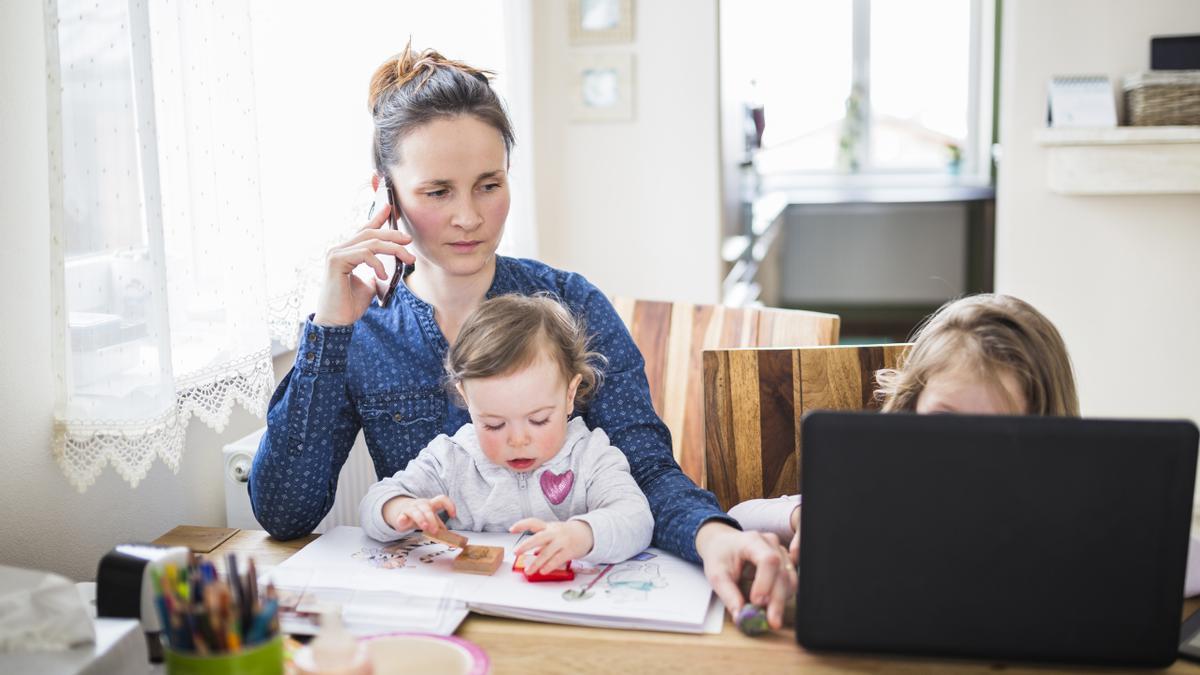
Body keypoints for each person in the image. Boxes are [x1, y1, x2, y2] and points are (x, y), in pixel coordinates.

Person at [248, 43, 794, 627]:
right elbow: (285, 512)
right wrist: (329, 333)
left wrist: (714, 537)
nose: (469, 216)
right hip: (432, 614)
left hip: (568, 604)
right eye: (437, 192)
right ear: (386, 195)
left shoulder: (569, 304)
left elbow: (644, 468)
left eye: (489, 184)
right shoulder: (361, 331)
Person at [728, 293, 1200, 598]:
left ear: (1046, 432)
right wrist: (799, 516)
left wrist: (1117, 551)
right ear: (912, 410)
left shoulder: (1067, 513)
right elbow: (739, 516)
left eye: (998, 433)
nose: (966, 455)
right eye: (945, 422)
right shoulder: (888, 493)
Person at [359, 294, 654, 575]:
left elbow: (637, 518)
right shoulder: (452, 458)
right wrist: (400, 509)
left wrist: (583, 534)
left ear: (569, 394)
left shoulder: (590, 456)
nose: (517, 440)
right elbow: (375, 501)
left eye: (539, 420)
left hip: (559, 610)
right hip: (476, 607)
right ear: (466, 398)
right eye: (494, 425)